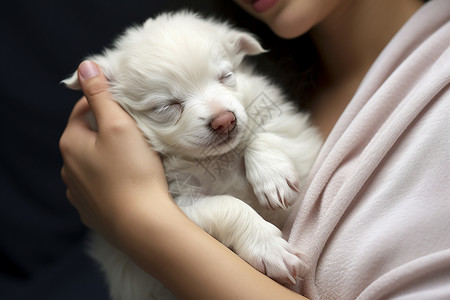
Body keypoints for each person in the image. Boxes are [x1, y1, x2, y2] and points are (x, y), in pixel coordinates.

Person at [59, 0, 450, 299]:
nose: (220, 116)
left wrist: (135, 215)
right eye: (167, 107)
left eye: (224, 78)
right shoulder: (290, 84)